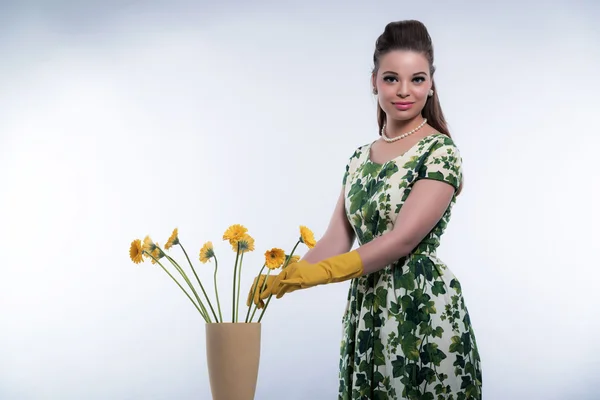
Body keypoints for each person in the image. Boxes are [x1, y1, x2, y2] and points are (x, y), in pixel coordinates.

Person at [248, 19, 482, 399]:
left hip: (420, 309)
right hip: (367, 310)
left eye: (417, 79)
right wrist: (288, 276)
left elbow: (401, 240)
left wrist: (323, 274)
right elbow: (336, 239)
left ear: (431, 83)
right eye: (392, 78)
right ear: (373, 80)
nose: (404, 91)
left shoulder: (441, 153)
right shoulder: (359, 158)